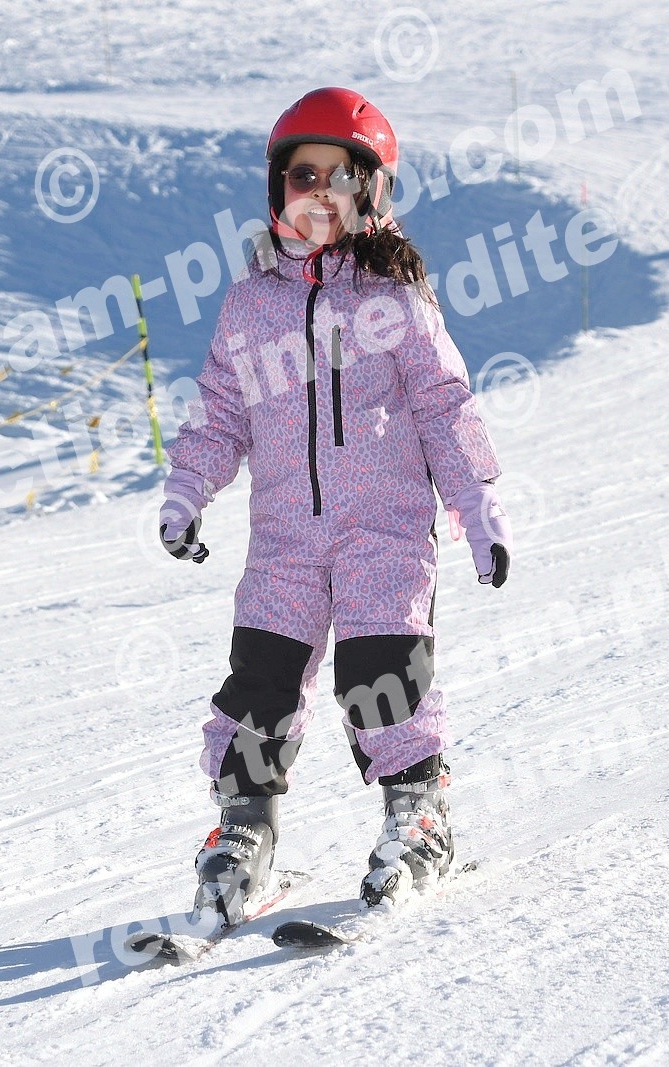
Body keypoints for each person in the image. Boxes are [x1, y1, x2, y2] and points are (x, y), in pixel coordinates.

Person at [158, 86, 510, 921]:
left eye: (341, 177)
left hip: (384, 533)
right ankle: (245, 829)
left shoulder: (395, 300)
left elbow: (445, 406)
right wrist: (187, 488)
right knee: (261, 681)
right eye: (301, 175)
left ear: (374, 191)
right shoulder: (251, 303)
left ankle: (417, 815)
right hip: (284, 541)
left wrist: (477, 505)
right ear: (275, 188)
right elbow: (220, 411)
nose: (319, 193)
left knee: (381, 674)